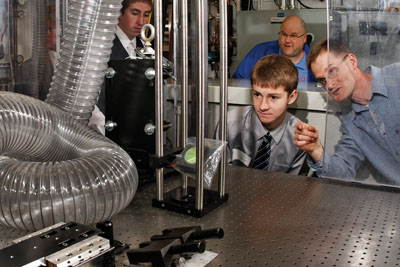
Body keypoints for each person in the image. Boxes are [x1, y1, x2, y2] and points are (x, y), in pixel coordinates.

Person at [294, 39, 400, 185]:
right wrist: (316, 150)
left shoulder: (396, 76)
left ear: (352, 61)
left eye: (332, 71)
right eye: (322, 80)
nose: (329, 85)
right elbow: (344, 172)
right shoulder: (350, 121)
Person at [218, 54, 306, 174]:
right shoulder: (229, 123)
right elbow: (216, 175)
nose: (263, 106)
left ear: (291, 97)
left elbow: (296, 187)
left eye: (273, 97)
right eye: (257, 95)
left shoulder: (299, 138)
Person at [233, 15, 315, 88]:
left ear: (304, 38)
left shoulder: (314, 61)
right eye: (283, 34)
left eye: (293, 36)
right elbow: (239, 82)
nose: (287, 40)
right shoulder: (259, 53)